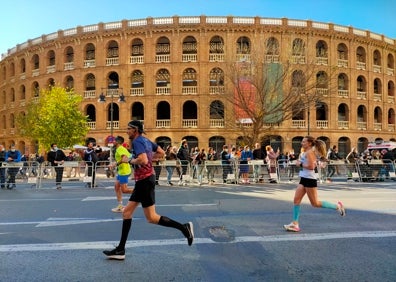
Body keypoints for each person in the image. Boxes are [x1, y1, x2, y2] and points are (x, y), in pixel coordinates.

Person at [103, 120, 194, 260]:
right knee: (139, 215)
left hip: (145, 181)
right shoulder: (146, 140)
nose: (126, 131)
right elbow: (162, 153)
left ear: (135, 130)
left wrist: (131, 161)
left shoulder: (138, 141)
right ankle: (121, 250)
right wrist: (146, 159)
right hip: (145, 180)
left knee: (145, 216)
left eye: (129, 129)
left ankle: (184, 228)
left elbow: (143, 160)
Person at [283, 136, 346, 232]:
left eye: (304, 142)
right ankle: (295, 224)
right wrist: (300, 161)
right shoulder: (307, 152)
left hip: (310, 179)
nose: (302, 143)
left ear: (309, 143)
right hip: (303, 178)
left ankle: (338, 206)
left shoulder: (310, 152)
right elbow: (309, 163)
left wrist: (299, 164)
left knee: (315, 203)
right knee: (296, 200)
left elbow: (311, 166)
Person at [110, 136, 134, 213]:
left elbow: (124, 159)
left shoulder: (120, 149)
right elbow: (129, 156)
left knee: (124, 190)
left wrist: (115, 164)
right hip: (121, 171)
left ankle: (141, 192)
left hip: (124, 171)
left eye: (113, 141)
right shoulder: (122, 149)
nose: (112, 142)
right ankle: (120, 206)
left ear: (117, 142)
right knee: (117, 187)